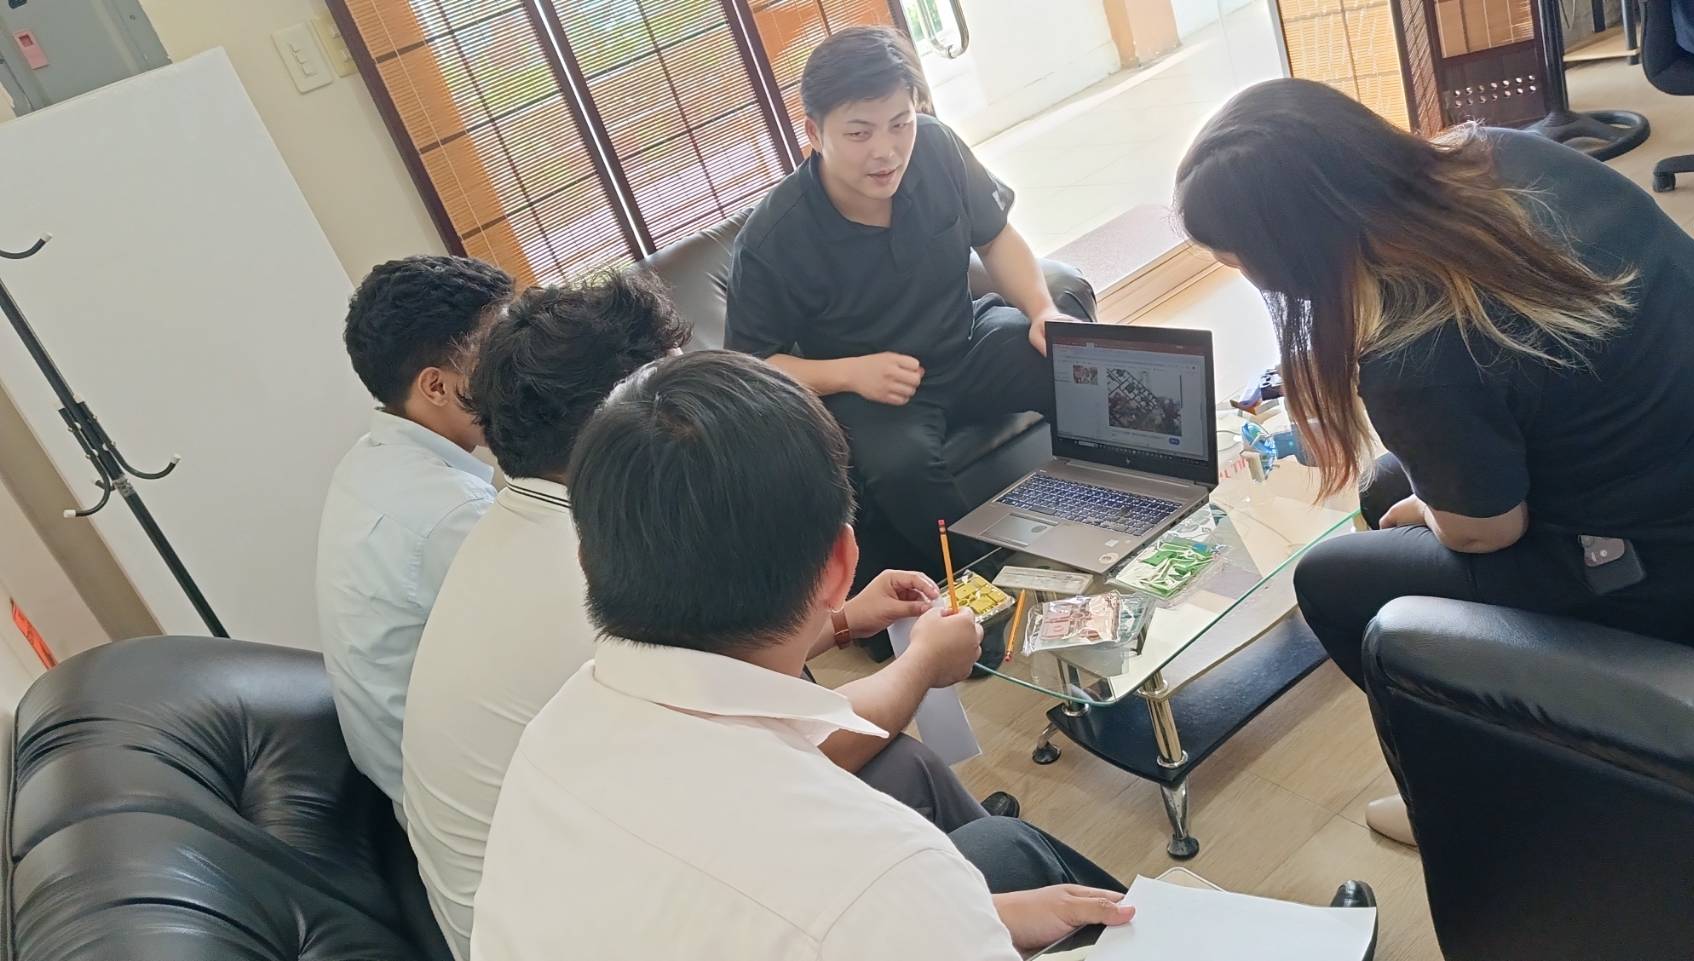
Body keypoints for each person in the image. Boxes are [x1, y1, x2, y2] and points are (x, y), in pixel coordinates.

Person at [404, 273, 1005, 960]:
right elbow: (790, 754)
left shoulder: (538, 548)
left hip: (554, 885)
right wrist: (922, 662)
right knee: (952, 826)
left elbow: (711, 676)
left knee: (927, 789)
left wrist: (840, 621)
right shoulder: (591, 587)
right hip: (644, 892)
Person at [1174, 79, 1694, 845]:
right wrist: (1432, 500)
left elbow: (1489, 531)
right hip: (1671, 439)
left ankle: (1464, 805)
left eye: (1236, 258)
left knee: (1331, 579)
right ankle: (1502, 717)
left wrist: (1439, 510)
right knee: (1387, 486)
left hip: (1665, 556)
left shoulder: (1413, 349)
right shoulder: (1502, 151)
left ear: (1293, 249)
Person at [471, 351, 1135, 961]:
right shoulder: (880, 877)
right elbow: (857, 904)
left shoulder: (551, 735)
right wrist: (956, 918)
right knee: (1046, 869)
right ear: (842, 563)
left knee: (990, 836)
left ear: (587, 560)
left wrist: (977, 917)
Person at [724, 26, 1089, 558]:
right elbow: (753, 365)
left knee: (1075, 366)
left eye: (900, 123)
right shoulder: (773, 239)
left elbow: (995, 237)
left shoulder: (937, 146)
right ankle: (984, 587)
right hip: (877, 393)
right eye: (859, 133)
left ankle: (1125, 517)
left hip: (968, 339)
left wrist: (1042, 309)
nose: (886, 151)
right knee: (901, 467)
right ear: (814, 133)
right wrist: (850, 373)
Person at [315, 255, 513, 808]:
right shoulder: (452, 514)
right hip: (474, 805)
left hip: (414, 778)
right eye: (499, 356)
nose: (519, 370)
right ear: (436, 386)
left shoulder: (371, 460)